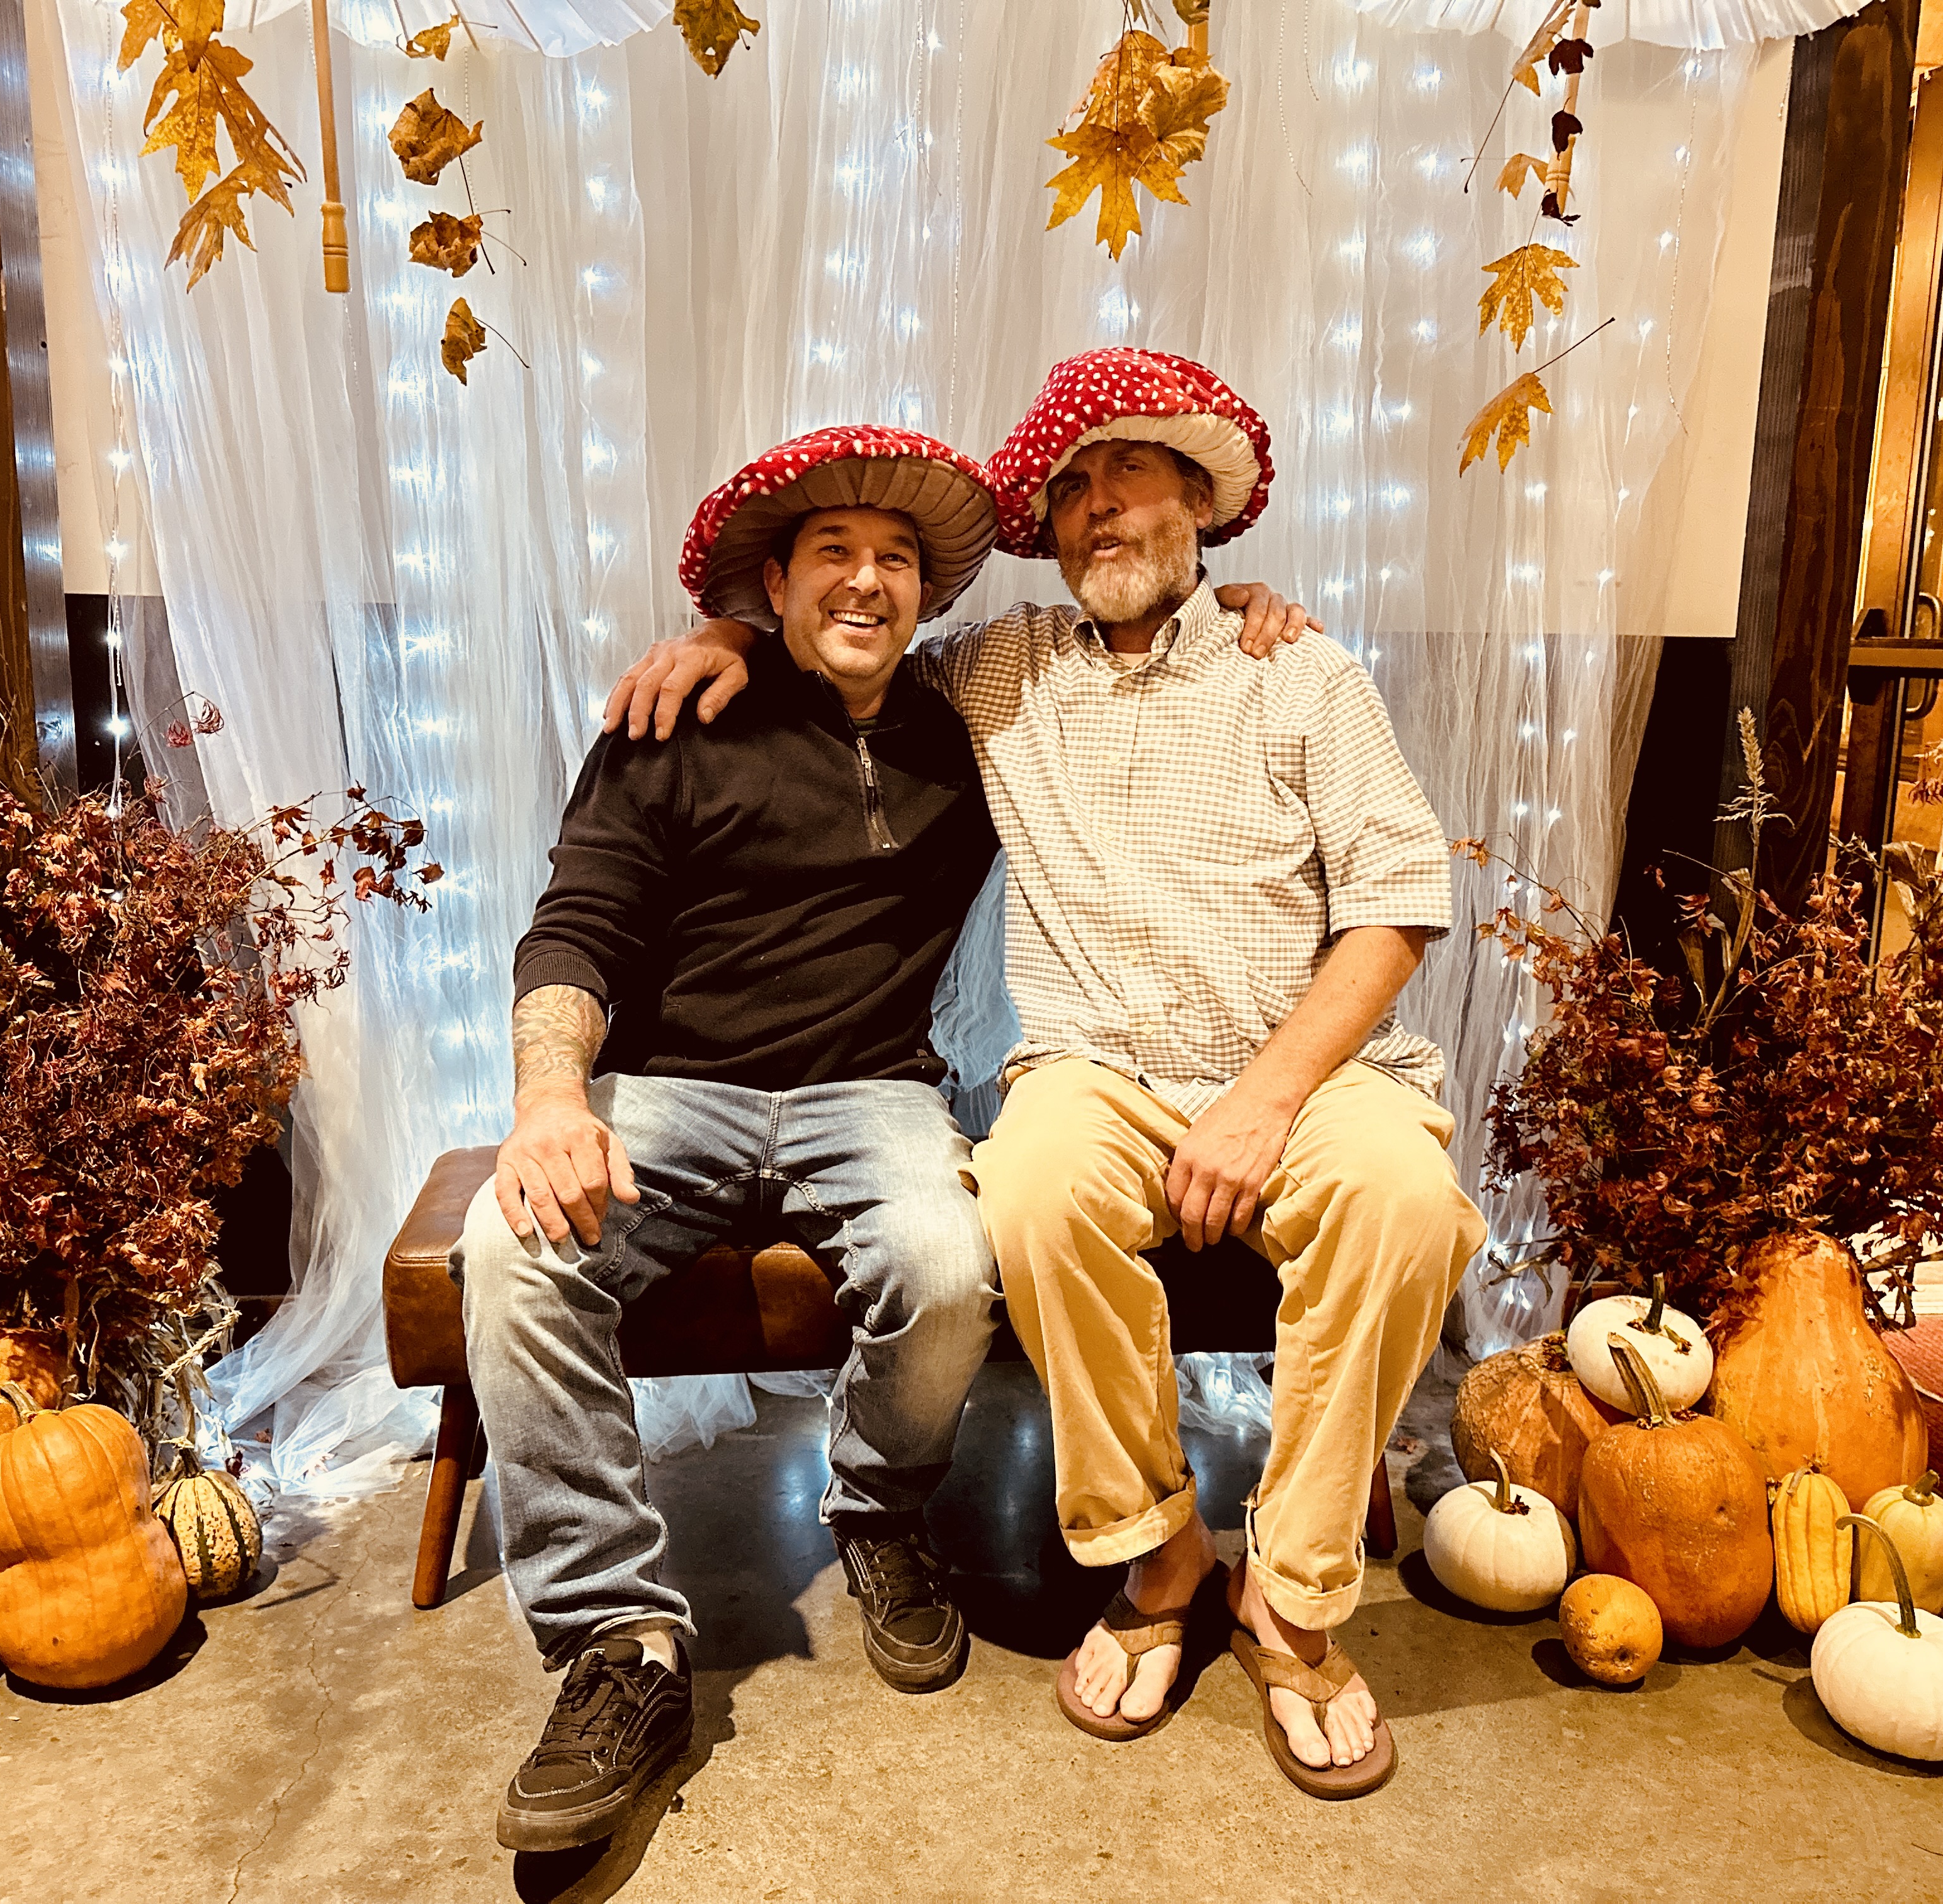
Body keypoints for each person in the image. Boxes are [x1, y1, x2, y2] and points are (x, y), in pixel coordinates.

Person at [609, 350, 1487, 1802]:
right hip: (1098, 1070)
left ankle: (1298, 1596)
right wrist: (723, 632)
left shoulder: (1305, 671)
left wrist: (1266, 1102)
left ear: (1201, 500)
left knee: (1405, 1197)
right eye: (1069, 489)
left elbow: (1394, 906)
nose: (1095, 509)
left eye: (1127, 470)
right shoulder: (1004, 672)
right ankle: (1158, 1556)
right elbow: (851, 628)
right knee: (1023, 1186)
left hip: (1313, 1076)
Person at [462, 422, 1315, 1852]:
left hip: (872, 1091)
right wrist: (553, 1099)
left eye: (898, 560)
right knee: (511, 1249)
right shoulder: (676, 720)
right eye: (833, 557)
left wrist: (1235, 605)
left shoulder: (966, 718)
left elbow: (1136, 651)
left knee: (945, 1260)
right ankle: (619, 1641)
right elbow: (576, 924)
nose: (868, 582)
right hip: (674, 1089)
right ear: (777, 584)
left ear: (928, 592)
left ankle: (875, 1511)